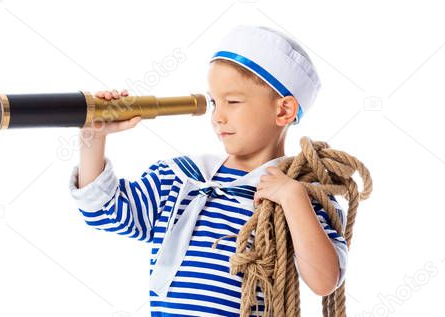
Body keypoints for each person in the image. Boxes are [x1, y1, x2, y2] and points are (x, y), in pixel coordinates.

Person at [68, 25, 346, 316]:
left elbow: (325, 281)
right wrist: (93, 136)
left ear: (283, 111)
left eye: (233, 102)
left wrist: (293, 198)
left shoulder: (299, 193)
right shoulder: (181, 179)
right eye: (214, 101)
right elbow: (102, 211)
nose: (217, 116)